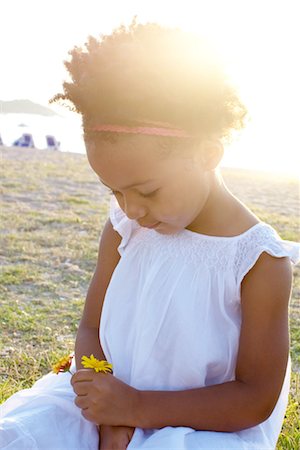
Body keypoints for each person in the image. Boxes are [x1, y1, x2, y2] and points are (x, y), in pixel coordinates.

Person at [0, 20, 299, 450]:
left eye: (146, 191)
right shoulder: (125, 228)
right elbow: (91, 328)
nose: (131, 209)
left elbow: (254, 399)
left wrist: (136, 408)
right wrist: (105, 408)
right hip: (106, 402)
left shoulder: (257, 261)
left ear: (207, 154)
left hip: (202, 427)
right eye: (115, 191)